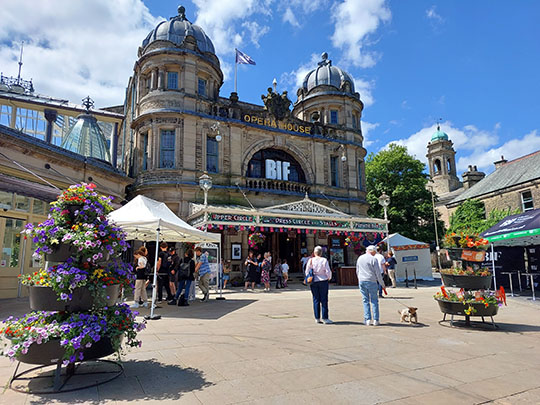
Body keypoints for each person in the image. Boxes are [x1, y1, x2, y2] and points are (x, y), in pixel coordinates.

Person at [356, 245, 387, 326]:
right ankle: (376, 320)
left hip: (362, 280)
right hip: (372, 281)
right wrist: (382, 284)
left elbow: (357, 270)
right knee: (374, 300)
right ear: (372, 251)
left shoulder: (360, 258)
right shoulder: (374, 259)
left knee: (365, 300)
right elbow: (378, 273)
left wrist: (359, 279)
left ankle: (367, 319)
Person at [305, 246, 333, 324]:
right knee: (324, 299)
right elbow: (328, 271)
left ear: (314, 253)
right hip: (323, 280)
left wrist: (310, 278)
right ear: (321, 253)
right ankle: (325, 318)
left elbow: (307, 271)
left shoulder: (310, 260)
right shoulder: (324, 260)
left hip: (314, 281)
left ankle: (317, 318)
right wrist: (329, 278)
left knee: (316, 299)